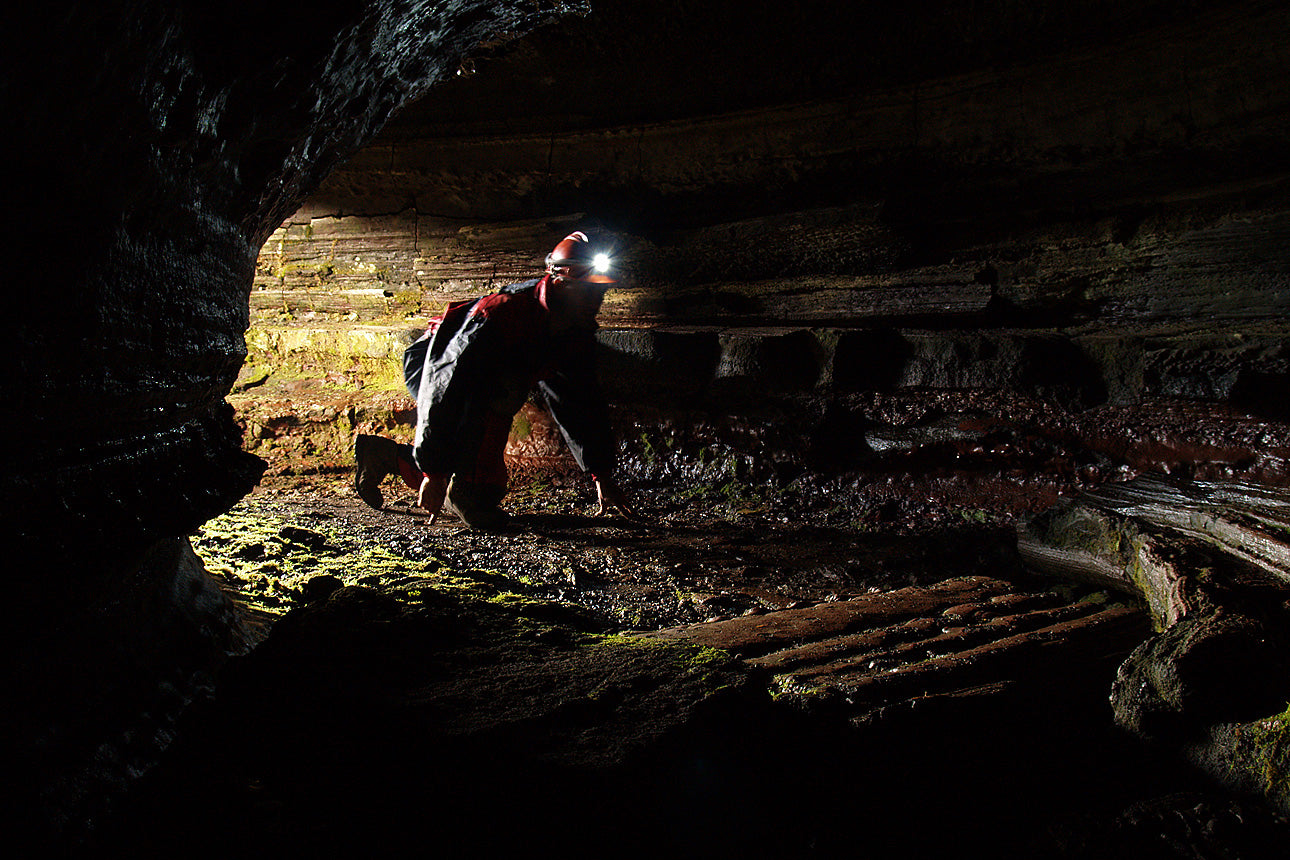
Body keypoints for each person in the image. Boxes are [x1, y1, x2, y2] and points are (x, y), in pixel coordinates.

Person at [353, 231, 634, 529]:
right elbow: (446, 385)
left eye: (599, 293)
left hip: (473, 381)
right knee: (477, 489)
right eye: (588, 292)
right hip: (435, 365)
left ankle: (385, 456)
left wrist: (601, 474)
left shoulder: (571, 330)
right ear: (560, 283)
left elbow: (578, 400)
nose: (596, 301)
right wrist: (433, 474)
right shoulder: (504, 315)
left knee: (487, 483)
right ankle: (456, 490)